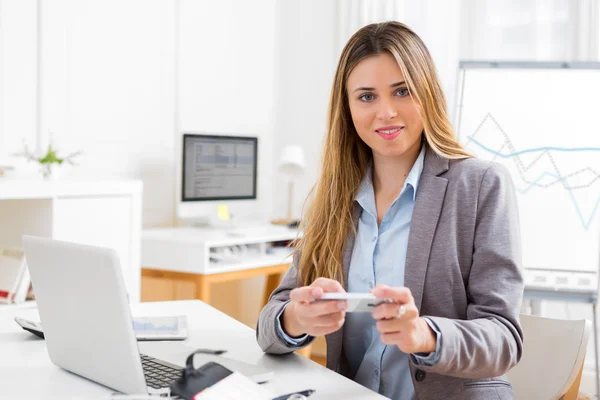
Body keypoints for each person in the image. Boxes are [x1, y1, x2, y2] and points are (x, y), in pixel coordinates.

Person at [257, 21, 523, 400]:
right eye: (366, 97)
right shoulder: (333, 198)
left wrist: (425, 335)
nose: (386, 112)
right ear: (347, 108)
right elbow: (268, 325)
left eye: (402, 91)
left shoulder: (481, 185)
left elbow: (504, 339)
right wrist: (296, 319)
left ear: (427, 94)